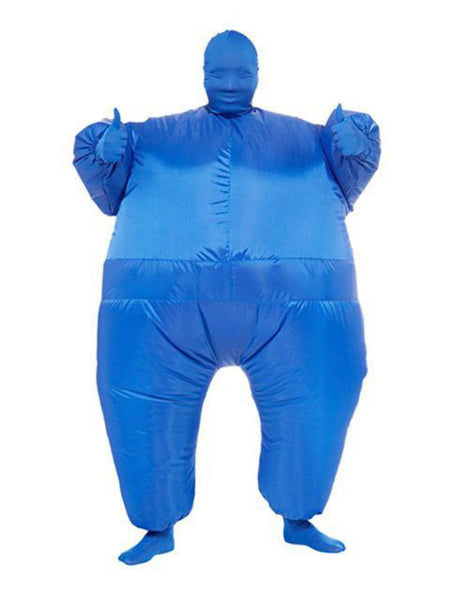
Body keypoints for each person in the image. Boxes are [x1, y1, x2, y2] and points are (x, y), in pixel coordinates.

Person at [73, 29, 380, 565]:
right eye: (219, 73)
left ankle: (299, 517)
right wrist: (105, 156)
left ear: (258, 75)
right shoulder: (155, 138)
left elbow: (349, 180)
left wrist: (353, 147)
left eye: (241, 73)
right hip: (164, 309)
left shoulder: (304, 142)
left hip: (294, 307)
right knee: (142, 405)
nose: (231, 83)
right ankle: (156, 528)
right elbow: (108, 193)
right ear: (203, 75)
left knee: (320, 398)